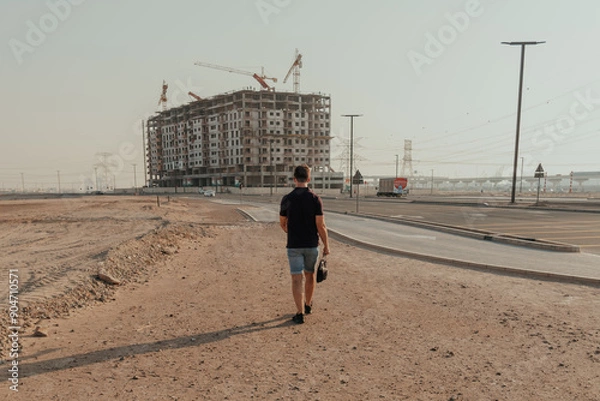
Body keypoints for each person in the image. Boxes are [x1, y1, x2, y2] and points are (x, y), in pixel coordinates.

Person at [279, 164, 330, 324]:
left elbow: (282, 222)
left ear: (294, 179)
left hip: (294, 245)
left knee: (296, 278)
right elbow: (320, 225)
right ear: (309, 179)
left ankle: (299, 313)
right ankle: (308, 305)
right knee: (310, 274)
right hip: (311, 245)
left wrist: (290, 231)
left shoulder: (287, 199)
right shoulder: (315, 199)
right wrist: (326, 245)